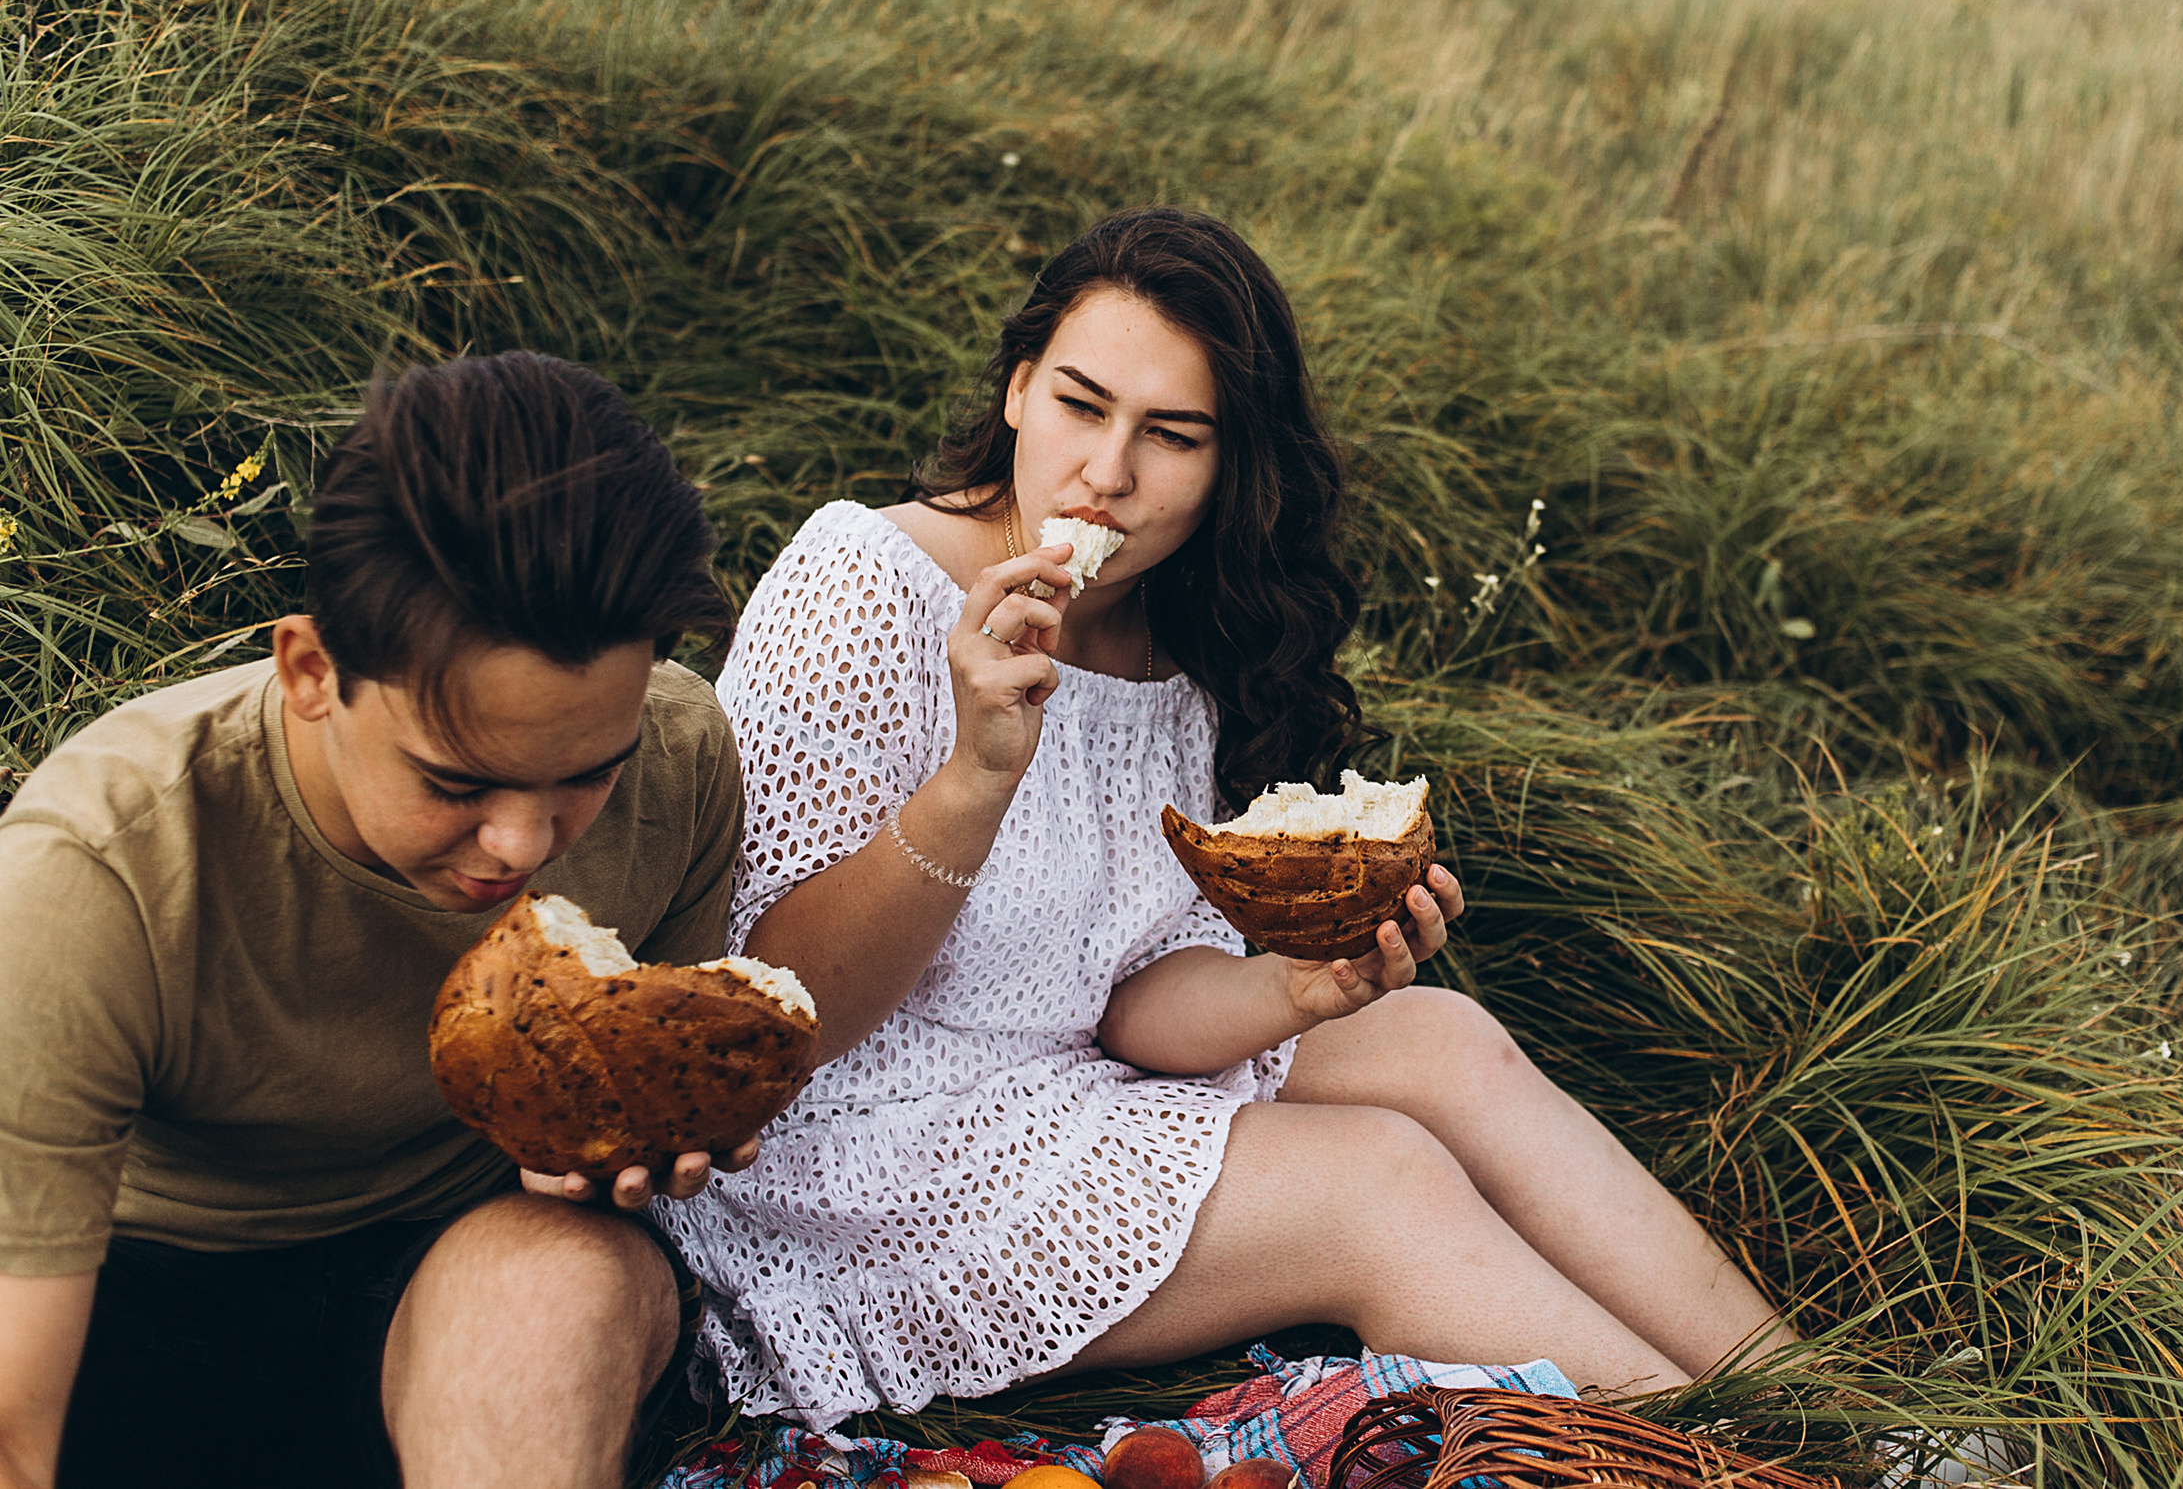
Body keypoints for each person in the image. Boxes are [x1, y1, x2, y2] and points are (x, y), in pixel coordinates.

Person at [654, 207, 1794, 1432]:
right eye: (1080, 406)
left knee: (1440, 1039)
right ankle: (1753, 1468)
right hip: (848, 1152)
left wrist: (1297, 992)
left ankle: (1839, 1416)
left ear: (1225, 468)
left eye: (1171, 436)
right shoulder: (862, 581)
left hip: (1066, 1080)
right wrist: (973, 780)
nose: (1107, 472)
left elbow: (1133, 1001)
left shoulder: (1173, 654)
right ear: (1018, 388)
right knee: (1378, 1189)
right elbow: (772, 1015)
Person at [0, 354, 752, 1489]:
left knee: (553, 1293)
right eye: (457, 783)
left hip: (456, 1267)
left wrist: (626, 1141)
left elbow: (630, 1086)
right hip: (126, 1292)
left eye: (585, 776)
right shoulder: (102, 866)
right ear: (310, 669)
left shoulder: (681, 751)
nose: (526, 843)